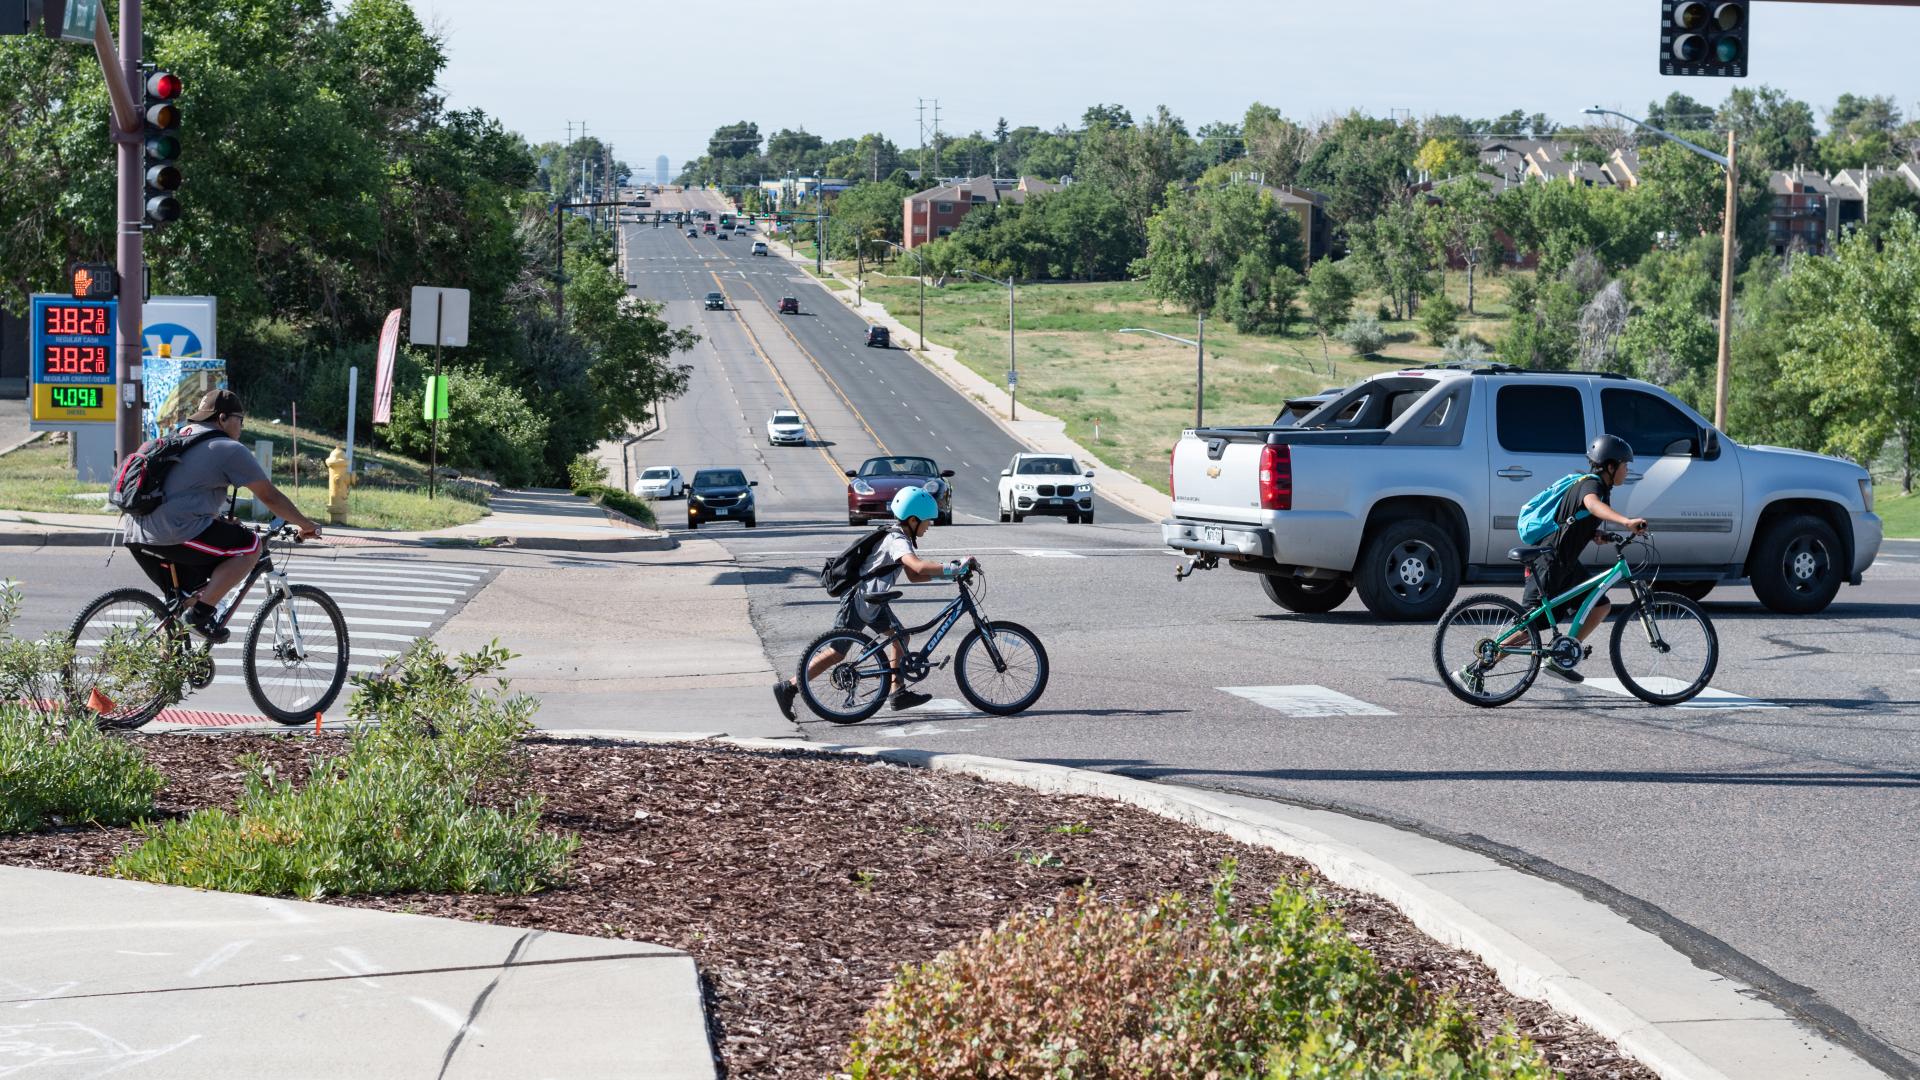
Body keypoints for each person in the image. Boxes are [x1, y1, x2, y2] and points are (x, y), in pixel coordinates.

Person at [121, 389, 322, 643]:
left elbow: (182, 493)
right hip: (171, 532)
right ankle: (201, 616)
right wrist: (306, 525)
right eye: (240, 419)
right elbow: (269, 496)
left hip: (134, 532)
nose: (241, 427)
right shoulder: (228, 448)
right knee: (251, 546)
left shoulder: (178, 437)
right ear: (223, 418)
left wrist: (214, 522)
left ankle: (170, 671)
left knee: (185, 599)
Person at [773, 487, 977, 719]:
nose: (929, 525)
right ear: (913, 520)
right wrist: (954, 566)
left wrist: (951, 575)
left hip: (873, 599)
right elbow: (918, 567)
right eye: (927, 521)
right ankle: (788, 687)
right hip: (859, 599)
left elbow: (914, 575)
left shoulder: (900, 537)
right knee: (837, 653)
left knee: (900, 637)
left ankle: (897, 692)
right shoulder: (897, 539)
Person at [1514, 433, 1649, 682]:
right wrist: (1625, 521)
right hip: (1550, 563)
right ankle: (1479, 666)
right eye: (1624, 465)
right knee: (1530, 627)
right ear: (1610, 466)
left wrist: (1598, 534)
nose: (1627, 470)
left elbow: (1578, 519)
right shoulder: (1591, 485)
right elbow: (1592, 504)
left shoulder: (1598, 486)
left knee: (1600, 606)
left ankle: (1560, 659)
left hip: (1567, 565)